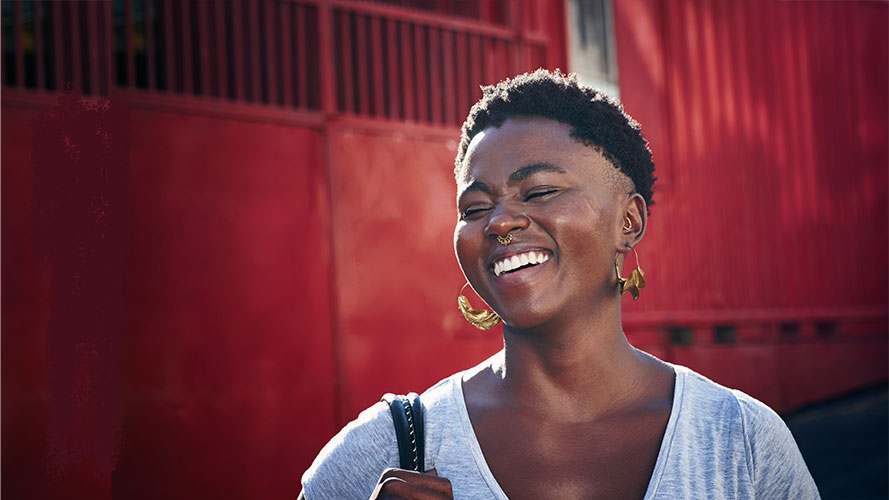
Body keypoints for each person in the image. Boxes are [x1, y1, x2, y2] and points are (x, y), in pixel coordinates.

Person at [299, 69, 820, 499]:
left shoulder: (743, 445)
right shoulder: (385, 450)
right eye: (475, 207)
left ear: (629, 222)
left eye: (540, 191)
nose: (499, 222)